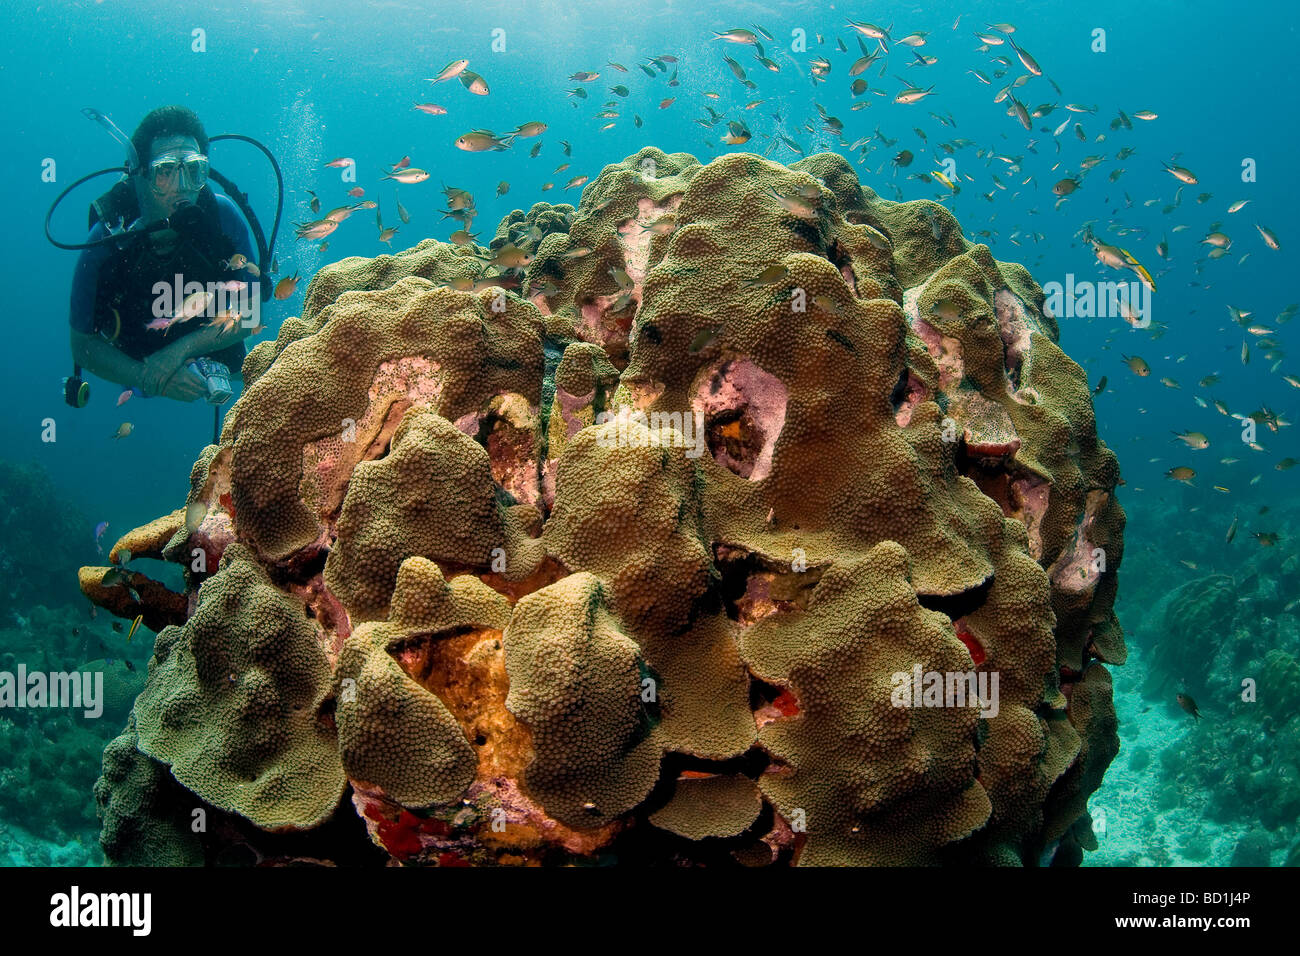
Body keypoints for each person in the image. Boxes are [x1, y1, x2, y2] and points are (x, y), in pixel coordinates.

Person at [69, 106, 260, 402]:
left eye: (194, 170)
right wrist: (149, 376)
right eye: (165, 172)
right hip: (138, 355)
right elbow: (82, 345)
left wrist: (178, 353)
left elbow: (250, 311)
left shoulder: (222, 217)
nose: (182, 188)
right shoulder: (108, 240)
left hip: (213, 342)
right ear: (139, 174)